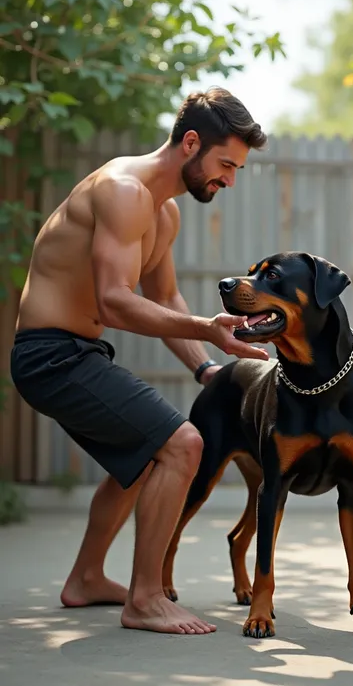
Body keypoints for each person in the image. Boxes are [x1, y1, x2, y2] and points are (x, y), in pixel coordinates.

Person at [10, 87, 270, 636]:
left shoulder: (163, 213)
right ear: (191, 143)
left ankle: (86, 578)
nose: (229, 180)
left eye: (237, 169)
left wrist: (206, 368)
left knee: (146, 456)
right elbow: (114, 300)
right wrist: (206, 328)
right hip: (49, 355)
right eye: (226, 164)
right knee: (183, 445)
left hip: (79, 351)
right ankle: (145, 599)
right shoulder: (124, 190)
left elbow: (167, 297)